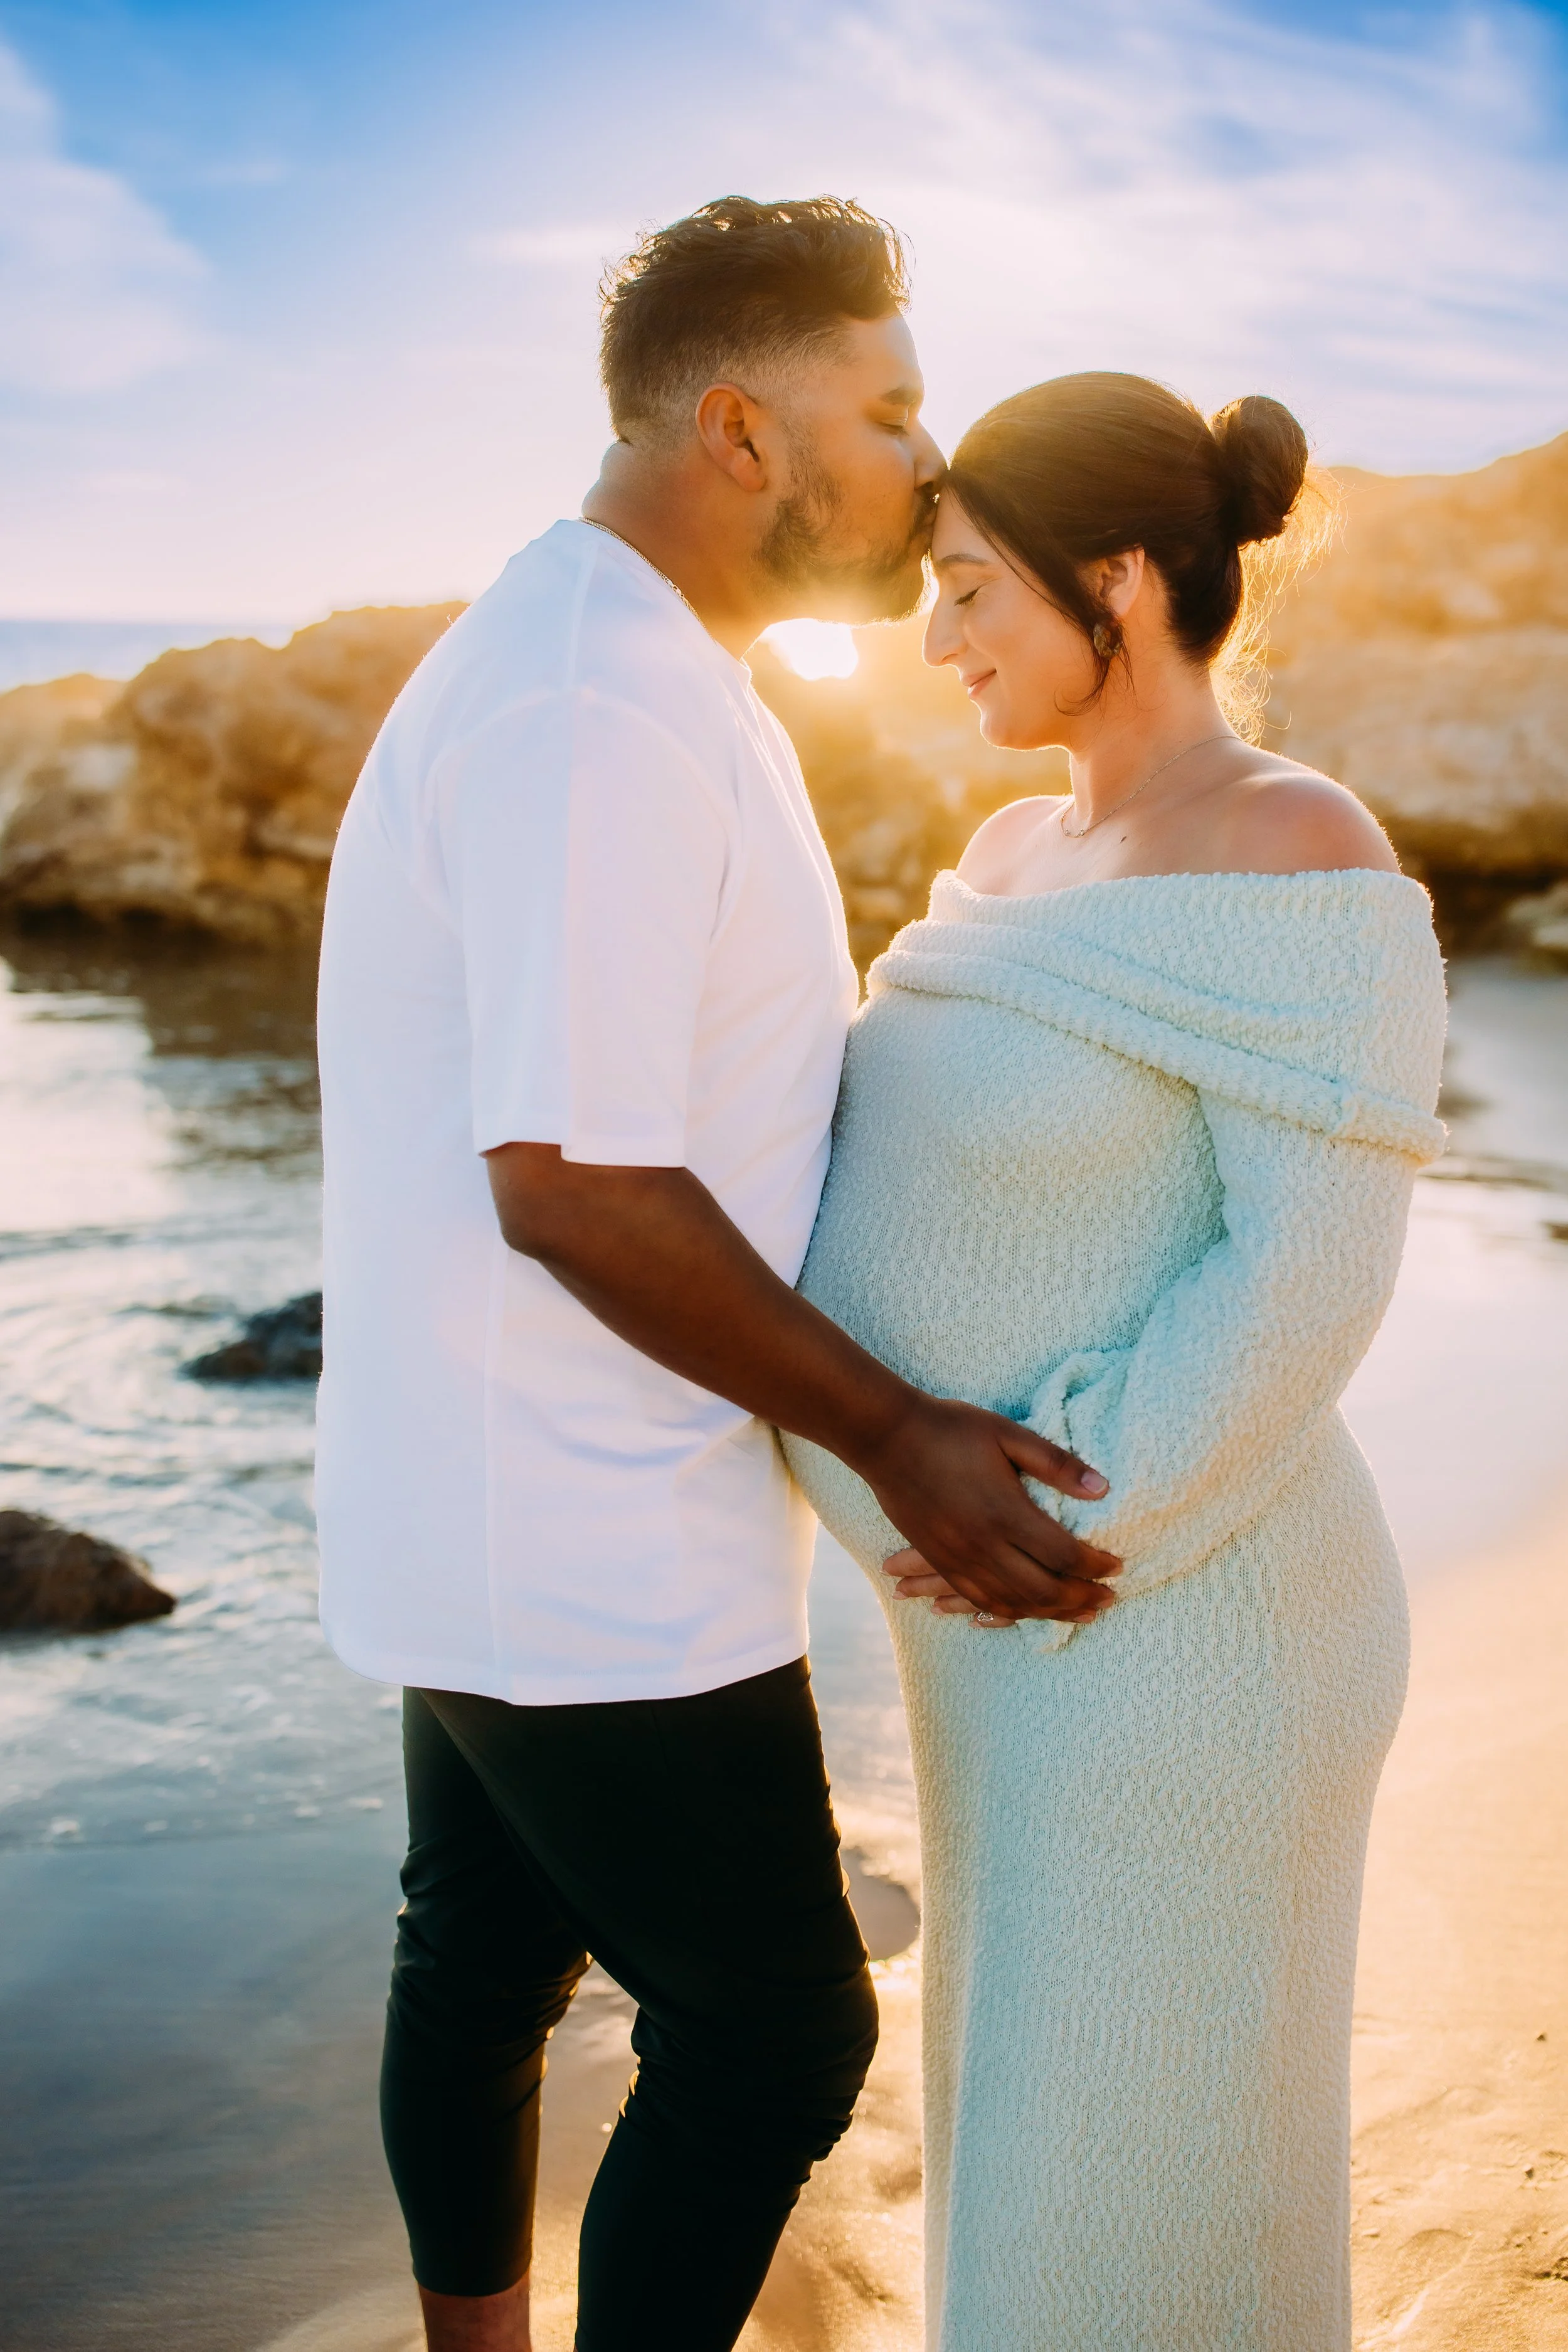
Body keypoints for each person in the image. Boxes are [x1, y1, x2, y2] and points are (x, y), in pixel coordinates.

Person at [314, 200, 1118, 2352]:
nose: (928, 464)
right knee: (772, 2032)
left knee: (479, 1954)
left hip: (485, 1488)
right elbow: (574, 1183)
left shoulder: (620, 654)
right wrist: (894, 1427)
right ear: (742, 429)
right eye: (891, 411)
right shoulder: (592, 702)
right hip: (582, 1519)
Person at [785, 372, 1448, 2349]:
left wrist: (1040, 1510)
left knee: (1143, 2164)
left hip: (1182, 1615)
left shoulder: (1291, 838)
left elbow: (1305, 1277)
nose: (938, 640)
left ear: (1122, 578)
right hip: (1012, 1627)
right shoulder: (1004, 850)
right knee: (1031, 2136)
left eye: (971, 587)